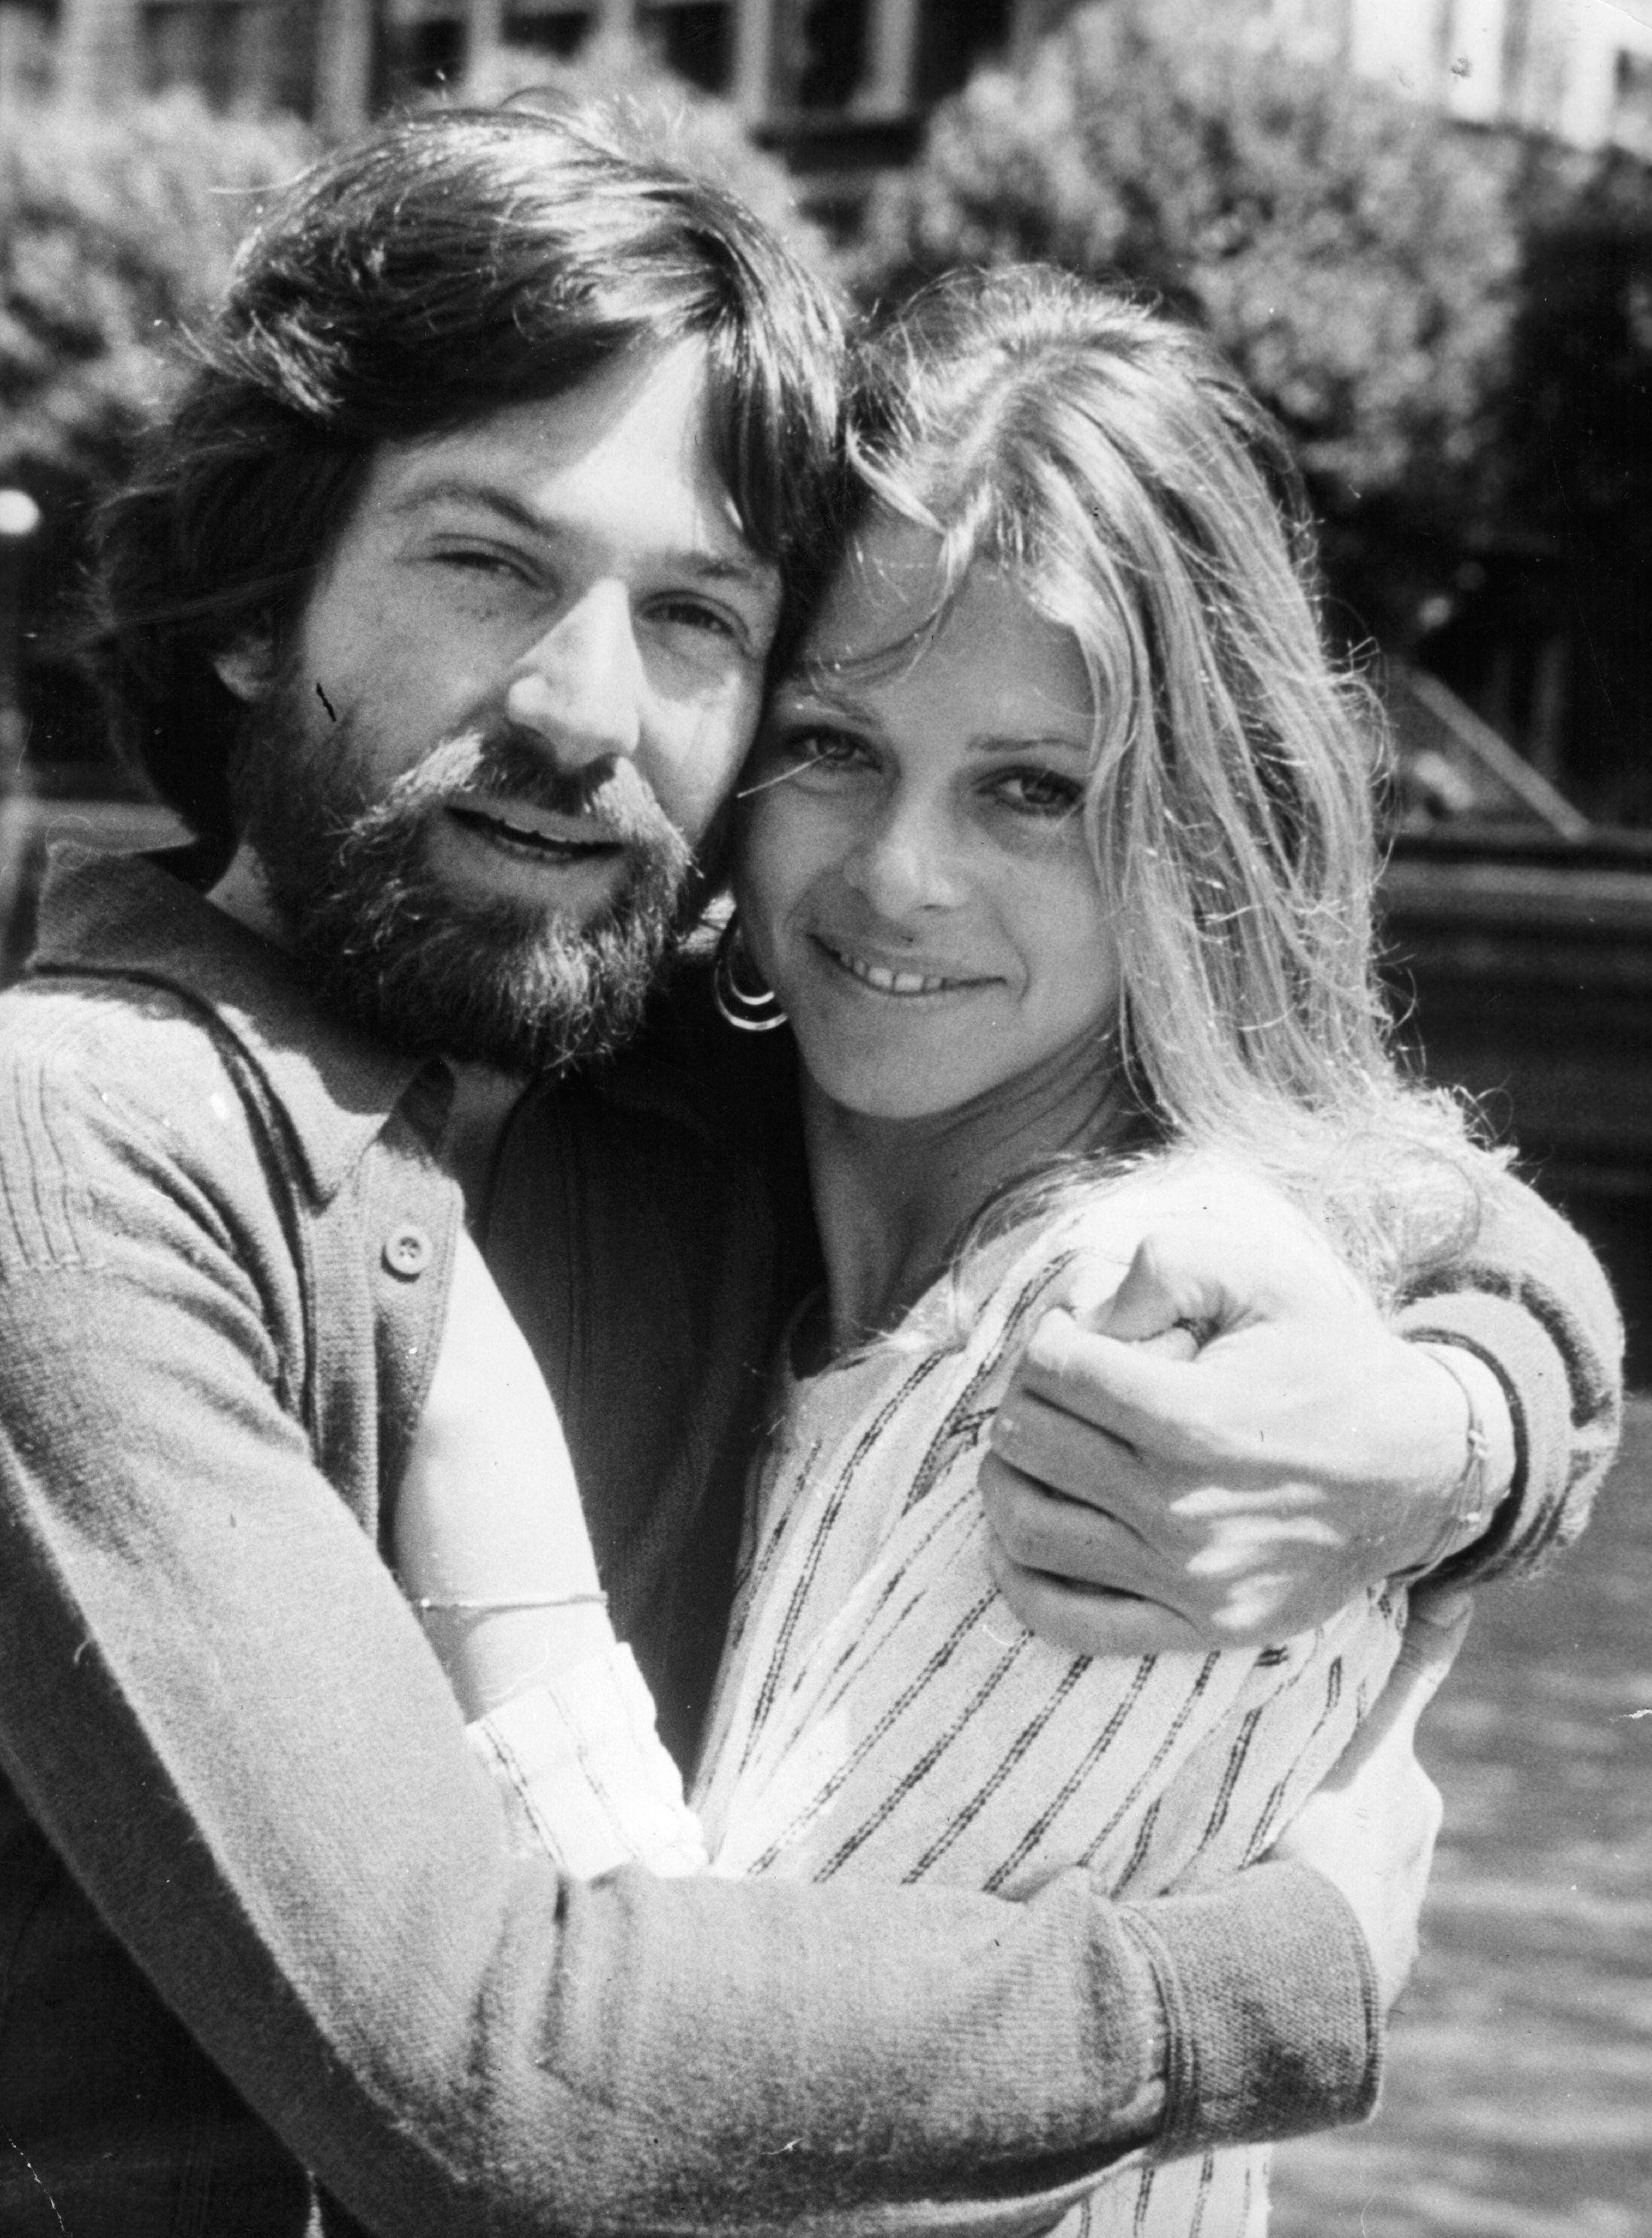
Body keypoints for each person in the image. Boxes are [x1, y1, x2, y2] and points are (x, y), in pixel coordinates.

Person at [0, 106, 1620, 2238]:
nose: (586, 708)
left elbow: (1420, 1204)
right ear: (245, 606)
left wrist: (1444, 1425)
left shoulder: (654, 1067)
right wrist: (1269, 1979)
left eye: (695, 616)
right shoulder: (87, 1145)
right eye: (489, 561)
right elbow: (488, 2073)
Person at [390, 266, 1577, 2236]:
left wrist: (464, 1457)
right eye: (840, 746)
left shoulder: (1153, 1335)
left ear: (1198, 827)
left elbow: (703, 2168)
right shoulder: (770, 1207)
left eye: (1032, 787)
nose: (900, 874)